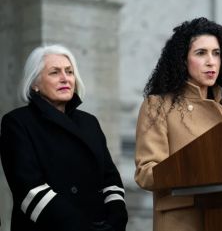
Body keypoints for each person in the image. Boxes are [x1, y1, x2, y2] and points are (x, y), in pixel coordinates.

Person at [0, 44, 128, 231]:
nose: (65, 78)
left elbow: (111, 180)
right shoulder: (17, 122)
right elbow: (29, 191)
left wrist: (116, 219)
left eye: (69, 72)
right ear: (34, 83)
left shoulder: (89, 122)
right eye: (54, 72)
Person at [134, 17, 222, 231]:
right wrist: (197, 167)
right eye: (201, 53)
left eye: (216, 53)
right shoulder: (158, 106)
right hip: (182, 219)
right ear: (183, 60)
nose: (211, 61)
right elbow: (146, 173)